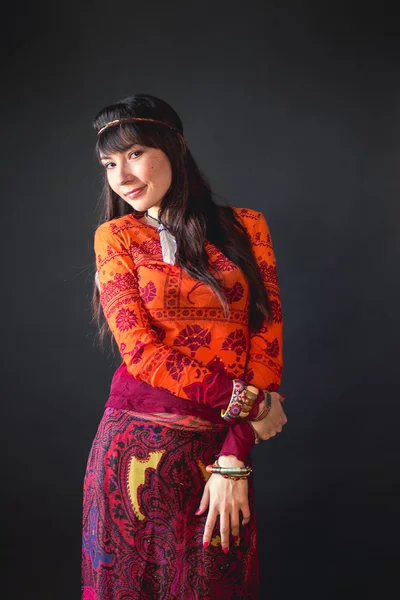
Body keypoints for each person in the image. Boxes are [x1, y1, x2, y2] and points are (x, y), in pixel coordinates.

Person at [81, 93, 287, 600]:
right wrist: (252, 402)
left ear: (175, 148)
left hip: (217, 451)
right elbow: (141, 352)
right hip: (134, 452)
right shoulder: (116, 238)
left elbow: (266, 334)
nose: (122, 175)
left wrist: (234, 459)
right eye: (110, 162)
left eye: (134, 154)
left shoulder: (247, 227)